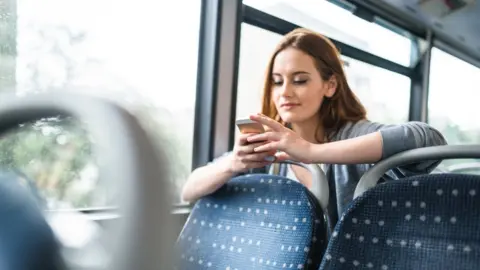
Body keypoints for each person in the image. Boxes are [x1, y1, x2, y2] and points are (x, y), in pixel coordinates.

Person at [181, 28, 447, 222]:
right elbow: (189, 190)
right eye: (277, 81)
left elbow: (427, 137)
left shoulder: (352, 135)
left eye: (299, 80)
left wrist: (309, 152)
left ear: (330, 85)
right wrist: (232, 165)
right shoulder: (270, 149)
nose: (284, 92)